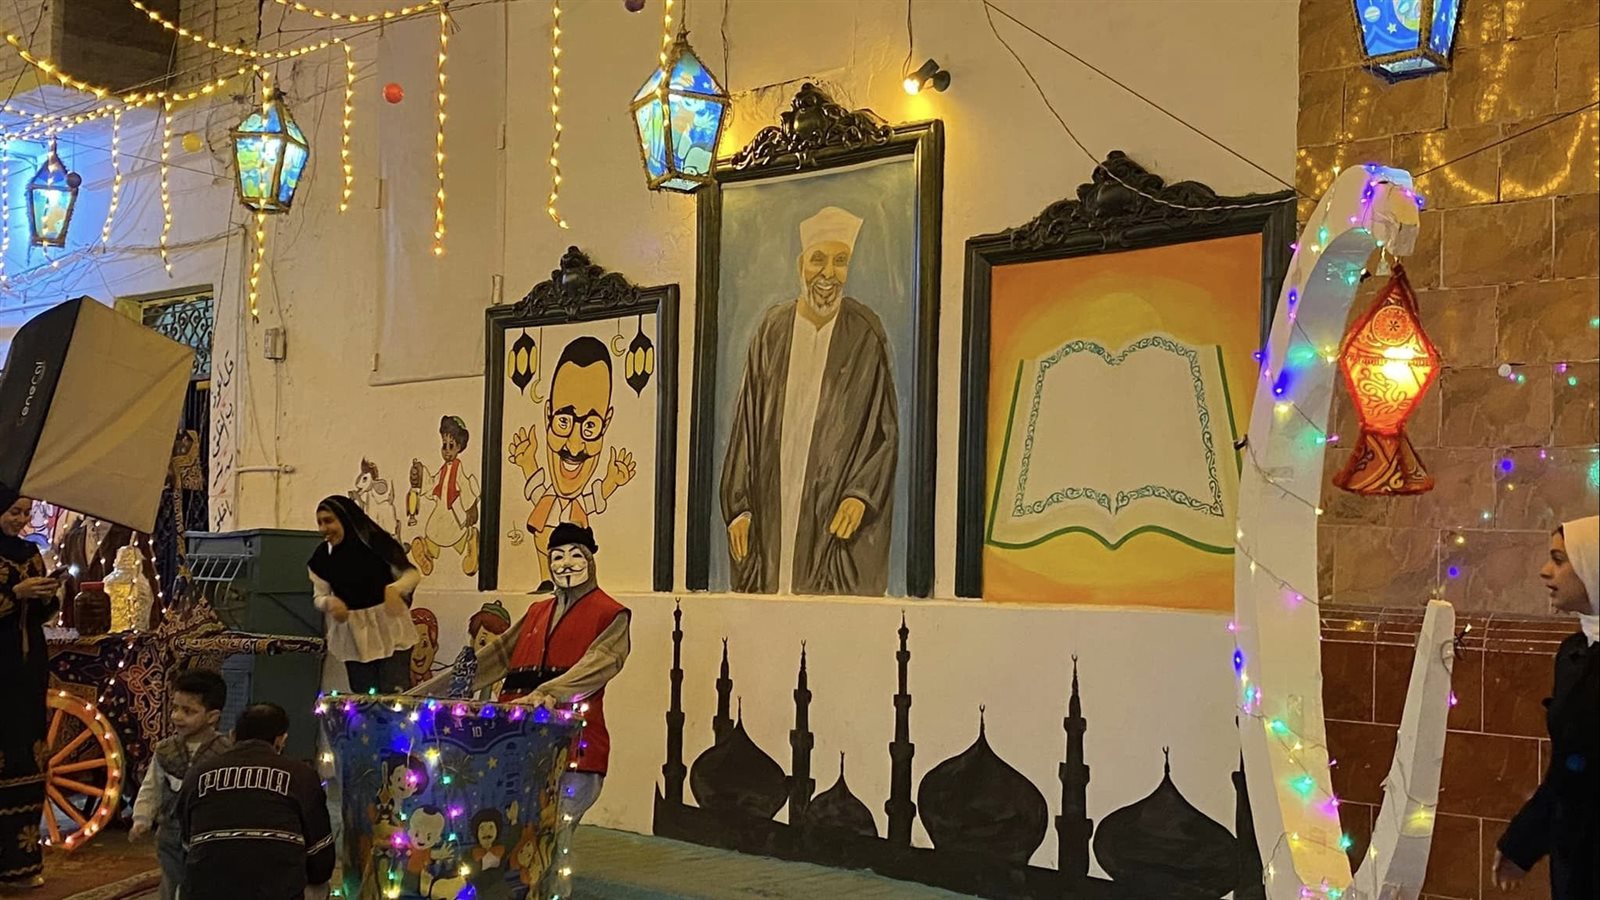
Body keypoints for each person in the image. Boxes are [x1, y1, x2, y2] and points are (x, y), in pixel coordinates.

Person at [412, 522, 629, 898]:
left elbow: (600, 664)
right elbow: (490, 661)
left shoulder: (611, 614)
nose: (565, 563)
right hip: (513, 745)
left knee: (550, 836)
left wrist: (548, 693)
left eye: (575, 554)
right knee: (507, 834)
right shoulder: (536, 612)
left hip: (573, 748)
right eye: (557, 556)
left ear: (590, 559)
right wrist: (419, 695)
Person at [720, 205, 899, 597]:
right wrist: (739, 507)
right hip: (773, 510)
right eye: (819, 259)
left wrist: (860, 494)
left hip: (832, 516)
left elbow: (883, 432)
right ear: (801, 264)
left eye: (840, 261)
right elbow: (747, 423)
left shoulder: (864, 335)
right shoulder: (772, 331)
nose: (828, 274)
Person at [1494, 515, 1598, 898]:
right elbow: (1569, 767)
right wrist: (1523, 844)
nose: (1544, 571)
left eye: (1559, 560)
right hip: (1578, 854)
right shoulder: (1575, 652)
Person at [507, 337, 636, 591]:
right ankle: (545, 578)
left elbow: (595, 499)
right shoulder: (547, 499)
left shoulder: (580, 507)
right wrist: (527, 463)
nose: (574, 446)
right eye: (564, 421)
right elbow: (535, 488)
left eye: (590, 426)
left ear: (606, 424)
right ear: (548, 415)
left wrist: (611, 481)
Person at [179, 703, 334, 900]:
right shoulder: (302, 775)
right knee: (319, 888)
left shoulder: (197, 774)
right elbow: (321, 861)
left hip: (203, 893)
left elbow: (187, 844)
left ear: (233, 736)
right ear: (280, 740)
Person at [0, 492, 61, 890]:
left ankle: (20, 867)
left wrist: (47, 596)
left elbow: (38, 615)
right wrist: (14, 595)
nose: (20, 519)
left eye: (25, 512)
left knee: (27, 755)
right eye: (13, 512)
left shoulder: (30, 553)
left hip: (26, 670)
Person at [130, 669, 232, 900]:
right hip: (170, 832)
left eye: (188, 711)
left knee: (205, 883)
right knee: (171, 879)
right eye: (175, 708)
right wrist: (142, 818)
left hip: (207, 834)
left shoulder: (225, 752)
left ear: (212, 716)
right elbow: (152, 786)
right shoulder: (165, 750)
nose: (177, 717)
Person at [308, 496, 420, 695]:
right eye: (320, 523)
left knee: (394, 694)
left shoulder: (377, 543)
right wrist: (329, 602)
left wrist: (395, 589)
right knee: (363, 696)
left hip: (390, 628)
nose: (323, 528)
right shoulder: (322, 557)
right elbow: (319, 596)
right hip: (353, 633)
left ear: (346, 519)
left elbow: (411, 574)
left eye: (329, 521)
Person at [409, 416, 482, 578]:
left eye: (451, 446)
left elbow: (465, 486)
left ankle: (471, 543)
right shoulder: (443, 469)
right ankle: (426, 553)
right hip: (441, 509)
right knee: (434, 532)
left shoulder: (458, 468)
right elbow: (433, 485)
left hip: (454, 511)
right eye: (444, 445)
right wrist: (421, 474)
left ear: (459, 447)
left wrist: (471, 507)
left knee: (457, 533)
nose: (446, 450)